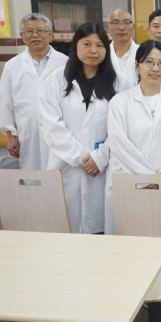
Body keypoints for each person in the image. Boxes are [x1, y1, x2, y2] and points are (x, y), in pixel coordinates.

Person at [40, 23, 126, 234]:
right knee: (65, 227)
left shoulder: (120, 83)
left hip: (103, 165)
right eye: (87, 44)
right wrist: (82, 157)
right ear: (75, 46)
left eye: (100, 45)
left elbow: (123, 128)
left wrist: (100, 156)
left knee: (100, 228)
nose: (93, 51)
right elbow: (51, 125)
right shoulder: (55, 80)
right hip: (65, 163)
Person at [105, 40, 161, 235]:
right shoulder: (120, 102)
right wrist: (147, 178)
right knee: (129, 238)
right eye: (149, 62)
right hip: (128, 180)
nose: (155, 68)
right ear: (137, 65)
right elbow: (119, 145)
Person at [0, 13, 67, 170]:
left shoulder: (66, 63)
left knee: (61, 175)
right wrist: (10, 137)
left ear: (50, 34)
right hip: (28, 132)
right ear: (22, 36)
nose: (35, 35)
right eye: (29, 31)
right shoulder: (12, 66)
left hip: (60, 131)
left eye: (40, 31)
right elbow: (4, 104)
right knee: (32, 174)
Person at [107, 9, 138, 88]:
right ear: (108, 28)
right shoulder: (102, 54)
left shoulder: (144, 53)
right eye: (116, 23)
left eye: (126, 23)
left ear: (133, 27)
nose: (121, 28)